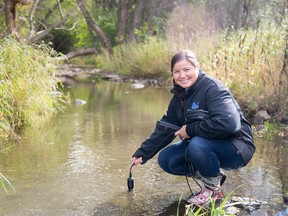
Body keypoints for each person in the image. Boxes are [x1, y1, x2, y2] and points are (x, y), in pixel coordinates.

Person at [131, 50, 255, 205]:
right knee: (167, 159)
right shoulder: (179, 96)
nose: (182, 75)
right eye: (176, 71)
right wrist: (143, 152)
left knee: (196, 144)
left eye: (186, 69)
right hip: (207, 145)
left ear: (197, 67)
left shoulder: (213, 88)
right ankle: (214, 176)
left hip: (236, 148)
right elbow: (166, 127)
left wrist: (189, 130)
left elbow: (229, 124)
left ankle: (212, 191)